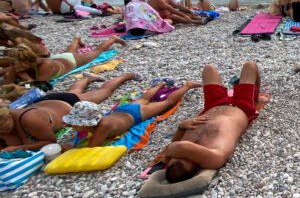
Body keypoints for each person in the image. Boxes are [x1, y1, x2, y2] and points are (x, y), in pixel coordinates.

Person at [159, 62, 268, 183]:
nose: (181, 155)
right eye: (187, 156)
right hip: (242, 106)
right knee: (250, 66)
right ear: (196, 166)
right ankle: (255, 99)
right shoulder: (214, 158)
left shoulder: (180, 153)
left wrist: (181, 126)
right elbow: (177, 147)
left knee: (208, 69)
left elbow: (174, 144)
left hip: (213, 104)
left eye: (176, 157)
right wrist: (169, 154)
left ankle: (247, 93)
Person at [0, 73, 139, 151]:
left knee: (104, 92)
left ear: (8, 117)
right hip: (46, 104)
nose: (3, 132)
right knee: (75, 91)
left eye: (3, 128)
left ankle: (124, 76)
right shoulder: (6, 122)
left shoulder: (29, 120)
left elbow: (50, 141)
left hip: (65, 105)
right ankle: (87, 78)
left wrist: (17, 148)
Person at [63, 80, 201, 148]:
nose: (73, 127)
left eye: (75, 124)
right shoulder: (98, 123)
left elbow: (93, 147)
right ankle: (160, 85)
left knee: (167, 103)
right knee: (144, 99)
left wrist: (67, 149)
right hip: (123, 110)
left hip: (135, 114)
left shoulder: (102, 127)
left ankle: (187, 85)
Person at [4, 36, 126, 84]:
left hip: (70, 62)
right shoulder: (20, 65)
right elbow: (6, 86)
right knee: (68, 52)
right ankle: (76, 41)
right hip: (59, 59)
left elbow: (38, 87)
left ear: (27, 61)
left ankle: (112, 39)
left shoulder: (45, 65)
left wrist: (25, 77)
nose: (16, 65)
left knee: (97, 52)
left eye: (19, 63)